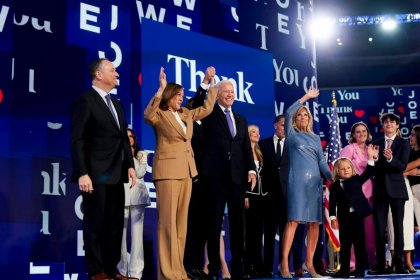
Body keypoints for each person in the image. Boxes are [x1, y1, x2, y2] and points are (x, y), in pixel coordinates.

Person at [143, 67, 217, 280]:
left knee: (181, 224)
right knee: (167, 223)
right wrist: (160, 90)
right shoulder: (160, 114)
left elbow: (207, 109)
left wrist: (212, 87)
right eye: (178, 95)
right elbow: (148, 115)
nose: (181, 99)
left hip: (187, 171)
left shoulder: (185, 114)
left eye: (182, 96)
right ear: (169, 95)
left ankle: (178, 271)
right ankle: (167, 273)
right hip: (167, 172)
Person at [70, 58, 136, 280]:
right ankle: (96, 271)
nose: (117, 74)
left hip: (117, 174)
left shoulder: (117, 103)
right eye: (113, 70)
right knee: (95, 225)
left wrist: (129, 166)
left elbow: (124, 140)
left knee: (116, 225)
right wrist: (82, 172)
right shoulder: (85, 102)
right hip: (95, 175)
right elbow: (77, 140)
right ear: (98, 75)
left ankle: (111, 270)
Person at [192, 79, 257, 280]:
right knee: (213, 225)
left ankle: (238, 270)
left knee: (239, 227)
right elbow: (195, 106)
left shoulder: (240, 119)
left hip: (237, 179)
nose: (230, 94)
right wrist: (205, 84)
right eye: (226, 91)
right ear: (217, 93)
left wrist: (252, 170)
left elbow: (246, 148)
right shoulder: (209, 113)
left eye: (232, 91)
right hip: (215, 178)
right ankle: (212, 270)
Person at [279, 88, 333, 279]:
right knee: (293, 221)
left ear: (309, 119)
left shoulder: (315, 138)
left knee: (314, 224)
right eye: (299, 114)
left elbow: (321, 162)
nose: (302, 116)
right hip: (296, 183)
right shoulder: (291, 133)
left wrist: (331, 176)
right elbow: (288, 112)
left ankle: (309, 263)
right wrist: (306, 98)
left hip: (314, 185)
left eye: (305, 114)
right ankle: (284, 263)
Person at [183, 67, 216, 280]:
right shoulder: (188, 120)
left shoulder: (210, 122)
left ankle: (197, 266)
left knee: (204, 225)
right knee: (191, 223)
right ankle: (187, 266)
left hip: (209, 179)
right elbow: (197, 100)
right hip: (191, 177)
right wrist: (205, 81)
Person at [368, 113, 410, 275]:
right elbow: (372, 169)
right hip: (379, 191)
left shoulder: (403, 143)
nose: (389, 124)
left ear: (397, 125)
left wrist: (391, 158)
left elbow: (401, 167)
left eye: (392, 122)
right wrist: (372, 159)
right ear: (382, 126)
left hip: (397, 191)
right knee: (379, 228)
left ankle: (398, 263)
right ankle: (380, 265)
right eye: (386, 122)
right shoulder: (376, 143)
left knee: (398, 228)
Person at [329, 145, 378, 278]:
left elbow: (369, 172)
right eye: (342, 169)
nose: (345, 170)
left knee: (359, 244)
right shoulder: (334, 187)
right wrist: (333, 218)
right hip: (344, 219)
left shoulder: (357, 179)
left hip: (357, 217)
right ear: (337, 171)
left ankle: (360, 269)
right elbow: (332, 203)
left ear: (352, 169)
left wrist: (370, 158)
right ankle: (344, 271)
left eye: (348, 168)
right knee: (345, 245)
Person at [339, 122, 376, 269]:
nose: (361, 134)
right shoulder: (348, 149)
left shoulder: (371, 149)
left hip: (370, 194)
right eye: (358, 132)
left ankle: (371, 262)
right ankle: (352, 264)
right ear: (353, 135)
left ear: (368, 133)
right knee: (354, 232)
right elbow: (341, 169)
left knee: (369, 231)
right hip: (353, 197)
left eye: (364, 131)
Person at [117, 128, 151, 280]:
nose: (129, 138)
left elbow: (140, 173)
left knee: (137, 236)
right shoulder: (116, 153)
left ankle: (136, 273)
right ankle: (122, 271)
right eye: (127, 136)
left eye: (132, 136)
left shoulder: (141, 154)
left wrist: (132, 156)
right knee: (121, 235)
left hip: (138, 196)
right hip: (121, 195)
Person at [244, 124, 264, 278]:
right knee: (246, 232)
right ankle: (246, 265)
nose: (256, 134)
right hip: (247, 197)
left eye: (258, 132)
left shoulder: (261, 152)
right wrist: (244, 194)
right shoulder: (242, 152)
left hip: (260, 198)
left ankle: (257, 264)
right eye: (252, 131)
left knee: (257, 232)